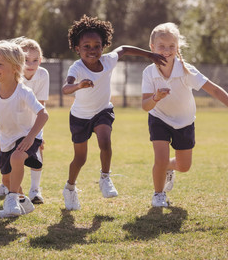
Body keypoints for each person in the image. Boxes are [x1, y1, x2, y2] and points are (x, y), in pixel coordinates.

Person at [142, 22, 228, 208]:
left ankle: (169, 167)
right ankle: (158, 195)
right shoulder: (149, 73)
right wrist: (156, 97)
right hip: (159, 118)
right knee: (159, 159)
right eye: (161, 46)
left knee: (184, 166)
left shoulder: (186, 71)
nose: (167, 50)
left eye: (171, 46)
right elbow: (146, 105)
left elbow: (214, 90)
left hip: (184, 122)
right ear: (152, 48)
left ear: (177, 48)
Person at [62, 15, 166, 211]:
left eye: (97, 46)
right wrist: (78, 86)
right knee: (80, 159)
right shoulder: (76, 67)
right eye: (86, 46)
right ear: (77, 48)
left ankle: (105, 177)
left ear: (103, 46)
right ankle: (70, 188)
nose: (92, 50)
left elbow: (124, 49)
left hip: (102, 111)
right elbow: (65, 88)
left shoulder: (109, 60)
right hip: (80, 117)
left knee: (105, 142)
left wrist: (150, 55)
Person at [0, 40, 49, 218]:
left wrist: (31, 138)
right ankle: (23, 202)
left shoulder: (24, 92)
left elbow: (43, 115)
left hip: (28, 136)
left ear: (15, 67)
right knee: (7, 178)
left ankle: (11, 200)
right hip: (6, 139)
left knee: (17, 158)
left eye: (0, 64)